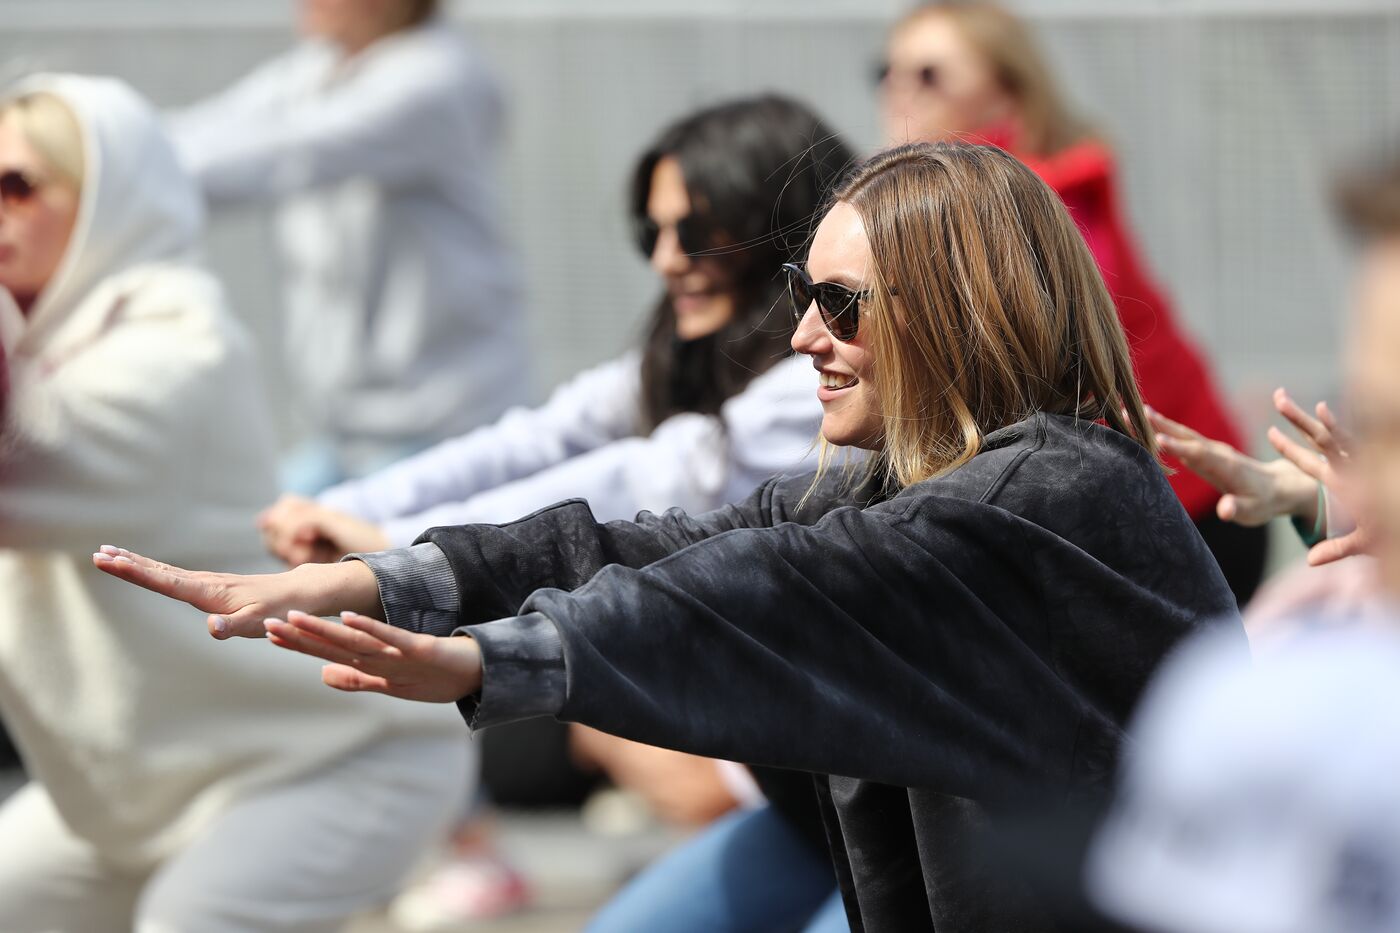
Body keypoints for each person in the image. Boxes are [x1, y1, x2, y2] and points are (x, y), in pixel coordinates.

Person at [98, 142, 1242, 931]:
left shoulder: (1044, 497)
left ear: (948, 307)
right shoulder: (880, 486)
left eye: (839, 303)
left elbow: (756, 587)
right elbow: (649, 543)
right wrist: (384, 579)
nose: (800, 334)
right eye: (801, 290)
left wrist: (488, 659)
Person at [258, 93, 854, 931]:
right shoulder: (683, 353)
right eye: (653, 233)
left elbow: (647, 479)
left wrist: (395, 547)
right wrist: (347, 510)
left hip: (905, 796)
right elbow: (540, 438)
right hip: (810, 798)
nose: (668, 260)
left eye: (699, 231)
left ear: (776, 230)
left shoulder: (823, 381)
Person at [0, 74, 468, 932]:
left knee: (194, 921)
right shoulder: (49, 339)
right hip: (155, 789)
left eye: (16, 186)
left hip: (342, 755)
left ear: (105, 201)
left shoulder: (181, 344)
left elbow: (23, 461)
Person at [877, 0, 1264, 605]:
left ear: (1007, 90)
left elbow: (1047, 348)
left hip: (1184, 509)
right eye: (888, 71)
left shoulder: (1042, 202)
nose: (898, 91)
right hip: (1114, 501)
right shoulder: (953, 205)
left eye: (929, 74)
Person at [167, 0, 527, 493]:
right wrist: (77, 143)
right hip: (346, 435)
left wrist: (99, 177)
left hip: (443, 434)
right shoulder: (314, 69)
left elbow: (279, 155)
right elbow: (204, 129)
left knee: (293, 556)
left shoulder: (437, 79)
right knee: (254, 542)